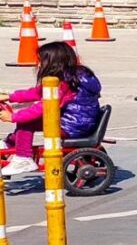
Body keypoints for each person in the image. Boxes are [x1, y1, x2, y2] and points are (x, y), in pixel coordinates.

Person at [1, 42, 102, 176]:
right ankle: (9, 144)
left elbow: (44, 107)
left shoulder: (64, 84)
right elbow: (37, 93)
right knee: (26, 121)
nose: (38, 65)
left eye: (40, 61)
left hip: (72, 126)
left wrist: (13, 117)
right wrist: (10, 96)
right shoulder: (69, 77)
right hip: (78, 121)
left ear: (53, 63)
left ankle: (23, 158)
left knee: (26, 122)